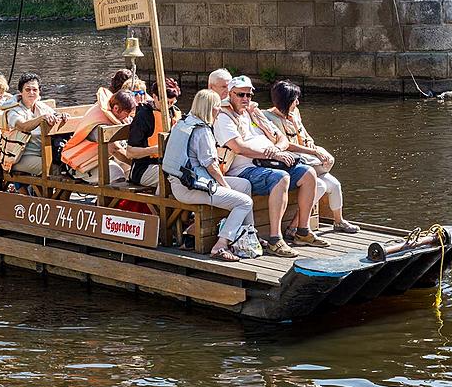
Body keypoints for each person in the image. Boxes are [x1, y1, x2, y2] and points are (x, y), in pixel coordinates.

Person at [214, 76, 329, 258]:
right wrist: (274, 154)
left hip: (269, 162)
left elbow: (280, 137)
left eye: (249, 95)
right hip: (244, 169)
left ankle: (302, 231)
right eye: (240, 95)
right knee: (280, 177)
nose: (245, 99)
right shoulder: (224, 116)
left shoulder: (253, 112)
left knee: (308, 173)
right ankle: (275, 240)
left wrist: (277, 150)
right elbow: (238, 147)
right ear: (230, 94)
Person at [163, 89, 256, 262]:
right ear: (209, 108)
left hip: (183, 182)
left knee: (245, 185)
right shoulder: (202, 131)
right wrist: (224, 186)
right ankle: (221, 245)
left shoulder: (183, 122)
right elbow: (212, 166)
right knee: (244, 202)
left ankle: (246, 236)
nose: (219, 110)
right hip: (190, 187)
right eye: (217, 107)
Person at [264, 81, 360, 235]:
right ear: (286, 101)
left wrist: (317, 149)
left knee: (334, 184)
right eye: (295, 100)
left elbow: (305, 136)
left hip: (306, 158)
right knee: (320, 185)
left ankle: (338, 221)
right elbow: (286, 144)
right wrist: (313, 153)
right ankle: (295, 227)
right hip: (291, 162)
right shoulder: (267, 117)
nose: (298, 102)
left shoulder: (295, 113)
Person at [62, 90, 136, 184]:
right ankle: (107, 199)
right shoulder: (99, 124)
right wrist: (136, 163)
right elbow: (115, 150)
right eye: (126, 115)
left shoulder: (108, 110)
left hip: (98, 160)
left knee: (130, 171)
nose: (127, 119)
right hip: (79, 166)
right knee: (117, 173)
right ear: (116, 108)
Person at [3, 72, 66, 176]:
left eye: (35, 90)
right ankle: (45, 192)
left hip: (43, 153)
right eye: (27, 89)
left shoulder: (41, 106)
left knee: (68, 164)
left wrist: (62, 116)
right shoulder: (13, 111)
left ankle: (41, 192)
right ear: (20, 92)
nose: (31, 93)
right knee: (53, 169)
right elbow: (23, 126)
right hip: (19, 157)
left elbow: (55, 115)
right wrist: (41, 118)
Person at [127, 78, 182, 188]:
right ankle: (161, 204)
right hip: (145, 168)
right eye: (166, 102)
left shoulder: (175, 112)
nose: (168, 106)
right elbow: (130, 152)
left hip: (170, 164)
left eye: (172, 102)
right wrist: (156, 149)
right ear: (155, 97)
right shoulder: (143, 116)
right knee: (175, 178)